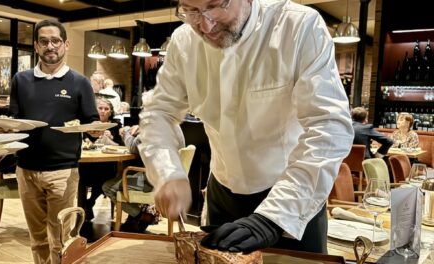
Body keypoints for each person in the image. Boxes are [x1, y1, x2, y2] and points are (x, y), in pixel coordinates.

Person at [138, 0, 354, 254]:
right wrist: (168, 171)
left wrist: (274, 217)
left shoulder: (298, 26)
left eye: (216, 5)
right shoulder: (183, 41)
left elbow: (329, 126)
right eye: (191, 10)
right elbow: (159, 112)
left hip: (293, 196)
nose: (205, 25)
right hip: (222, 195)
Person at [8, 19, 99, 264]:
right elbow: (15, 121)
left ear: (66, 44)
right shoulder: (21, 80)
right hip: (26, 169)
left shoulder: (79, 82)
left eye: (56, 41)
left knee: (61, 238)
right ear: (36, 46)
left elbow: (93, 123)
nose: (51, 46)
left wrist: (96, 130)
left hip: (63, 171)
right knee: (37, 237)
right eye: (45, 41)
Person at [102, 124, 160, 233]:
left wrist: (126, 130)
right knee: (122, 176)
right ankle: (135, 217)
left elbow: (133, 146)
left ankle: (141, 215)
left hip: (152, 181)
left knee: (108, 187)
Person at [80, 97, 123, 221]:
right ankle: (83, 207)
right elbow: (84, 142)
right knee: (81, 175)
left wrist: (111, 139)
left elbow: (121, 146)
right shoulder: (87, 125)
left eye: (106, 109)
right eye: (100, 108)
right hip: (87, 163)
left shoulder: (115, 125)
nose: (103, 111)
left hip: (108, 164)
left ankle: (89, 203)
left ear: (110, 112)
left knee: (104, 176)